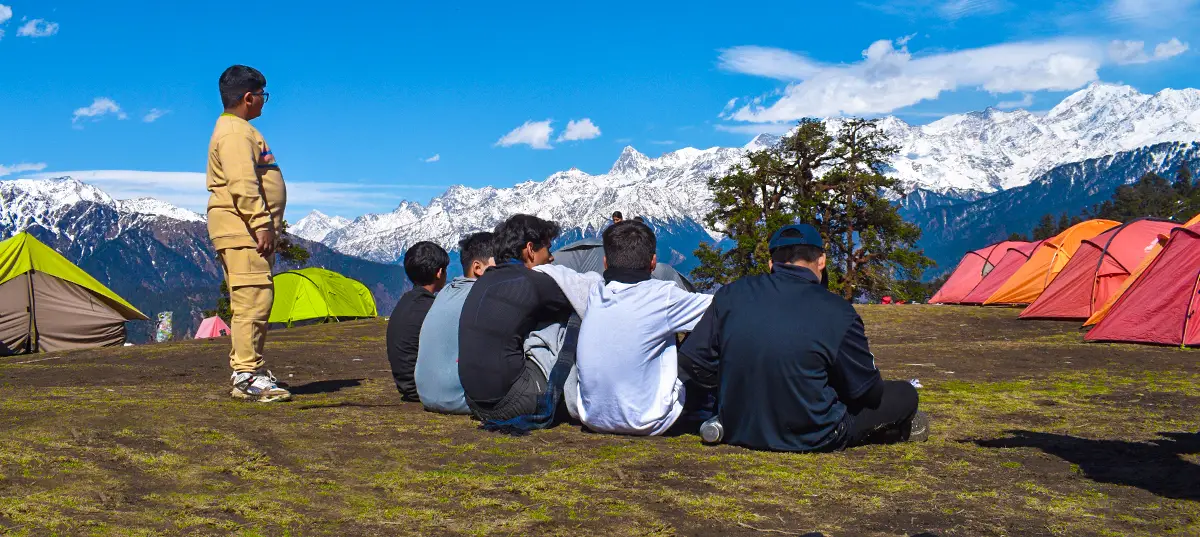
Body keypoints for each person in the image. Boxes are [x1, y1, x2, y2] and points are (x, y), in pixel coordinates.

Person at [679, 224, 929, 452]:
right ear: (821, 260)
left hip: (738, 426)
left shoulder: (730, 295)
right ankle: (895, 430)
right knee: (905, 394)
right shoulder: (838, 312)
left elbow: (693, 361)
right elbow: (868, 391)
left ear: (771, 263)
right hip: (813, 433)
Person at [571, 221, 714, 435]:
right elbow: (724, 308)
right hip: (650, 421)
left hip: (593, 417)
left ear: (605, 262)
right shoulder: (663, 296)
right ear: (653, 262)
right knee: (707, 329)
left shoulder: (595, 292)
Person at [207, 65, 289, 402]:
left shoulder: (237, 130)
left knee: (252, 299)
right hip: (241, 228)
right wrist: (261, 222)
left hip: (241, 228)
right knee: (253, 299)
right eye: (262, 95)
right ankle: (246, 374)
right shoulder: (235, 133)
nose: (264, 101)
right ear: (248, 97)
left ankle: (248, 369)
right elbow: (242, 182)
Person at [458, 214, 573, 421]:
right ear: (530, 249)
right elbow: (582, 299)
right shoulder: (532, 281)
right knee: (567, 319)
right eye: (548, 249)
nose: (551, 257)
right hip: (512, 401)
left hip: (474, 402)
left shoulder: (484, 280)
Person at [414, 232, 495, 414]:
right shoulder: (484, 295)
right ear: (478, 267)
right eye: (501, 263)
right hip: (460, 400)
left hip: (427, 395)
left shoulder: (446, 291)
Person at [387, 241, 449, 401]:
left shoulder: (405, 302)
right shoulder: (433, 309)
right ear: (439, 272)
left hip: (407, 386)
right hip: (425, 389)